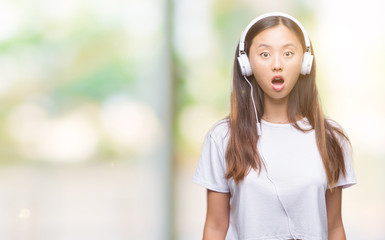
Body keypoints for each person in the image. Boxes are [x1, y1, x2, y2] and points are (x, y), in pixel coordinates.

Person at [192, 12, 357, 240]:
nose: (277, 65)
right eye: (265, 54)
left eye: (288, 53)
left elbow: (335, 227)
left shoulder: (330, 137)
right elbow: (215, 227)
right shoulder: (222, 138)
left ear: (305, 62)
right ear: (246, 63)